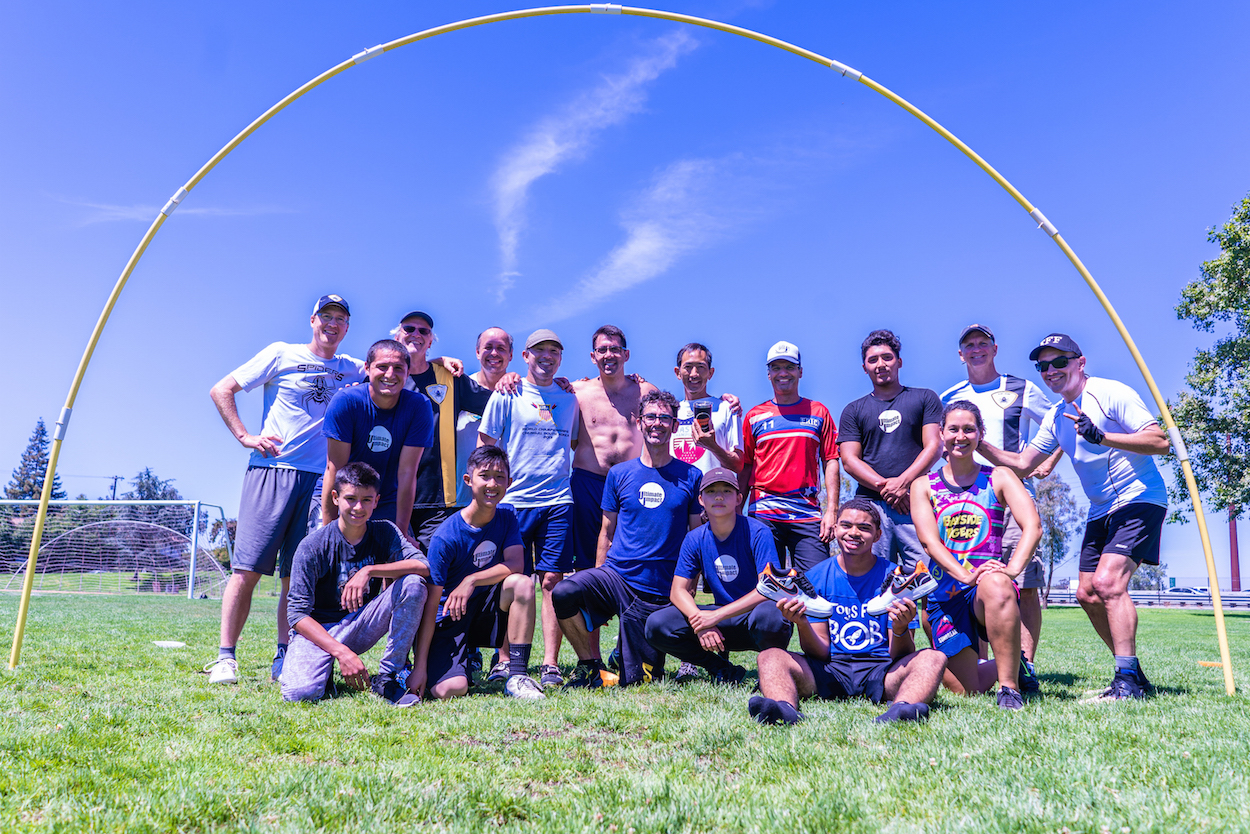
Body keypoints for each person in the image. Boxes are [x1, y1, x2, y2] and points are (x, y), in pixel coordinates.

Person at [977, 333, 1169, 700]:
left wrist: (1102, 436)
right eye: (1043, 366)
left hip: (1138, 497)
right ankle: (1133, 675)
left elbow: (1159, 441)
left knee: (1108, 584)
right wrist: (978, 443)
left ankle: (1127, 681)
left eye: (1059, 362)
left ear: (1080, 363)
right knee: (1087, 593)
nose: (1051, 371)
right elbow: (1023, 464)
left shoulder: (1110, 392)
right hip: (1100, 509)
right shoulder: (1056, 416)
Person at [205, 294, 365, 685]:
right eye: (326, 316)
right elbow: (221, 389)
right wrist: (245, 436)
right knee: (247, 569)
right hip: (273, 471)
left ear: (347, 327)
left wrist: (442, 361)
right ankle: (226, 657)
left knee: (296, 576)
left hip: (322, 482)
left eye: (340, 319)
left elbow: (397, 365)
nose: (332, 324)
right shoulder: (282, 353)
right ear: (312, 320)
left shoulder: (351, 367)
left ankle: (285, 654)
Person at [552, 390, 703, 687]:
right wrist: (597, 583)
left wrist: (690, 585)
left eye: (664, 418)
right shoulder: (619, 474)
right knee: (564, 592)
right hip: (617, 577)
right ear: (639, 422)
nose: (657, 423)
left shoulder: (691, 475)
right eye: (651, 417)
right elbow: (606, 532)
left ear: (674, 425)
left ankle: (628, 654)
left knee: (639, 681)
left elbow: (695, 538)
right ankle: (589, 665)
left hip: (658, 589)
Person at [751, 500, 947, 725]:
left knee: (934, 657)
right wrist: (802, 623)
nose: (854, 533)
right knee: (769, 656)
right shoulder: (815, 577)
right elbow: (820, 652)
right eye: (846, 525)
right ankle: (783, 708)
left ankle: (902, 708)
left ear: (878, 535)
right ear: (835, 530)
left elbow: (900, 655)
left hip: (882, 670)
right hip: (829, 669)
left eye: (864, 528)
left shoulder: (899, 580)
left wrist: (900, 628)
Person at [940, 323, 1061, 689]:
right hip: (963, 500)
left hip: (1010, 494)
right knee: (970, 582)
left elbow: (1059, 424)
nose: (976, 349)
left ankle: (1025, 666)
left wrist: (1047, 462)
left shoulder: (1022, 388)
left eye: (983, 343)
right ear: (960, 354)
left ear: (995, 349)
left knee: (1022, 582)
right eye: (969, 345)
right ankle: (983, 667)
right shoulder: (950, 396)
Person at [909, 401, 1041, 709]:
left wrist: (1011, 570)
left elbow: (1032, 526)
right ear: (941, 433)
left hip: (986, 590)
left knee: (997, 585)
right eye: (953, 429)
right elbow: (929, 543)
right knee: (968, 689)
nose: (961, 436)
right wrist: (964, 575)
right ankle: (1015, 662)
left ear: (980, 433)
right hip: (945, 594)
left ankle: (1009, 689)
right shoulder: (923, 485)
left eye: (969, 429)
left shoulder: (1000, 477)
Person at [478, 329, 580, 688]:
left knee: (552, 581)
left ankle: (550, 663)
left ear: (561, 358)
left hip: (558, 501)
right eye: (539, 350)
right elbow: (486, 447)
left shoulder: (570, 398)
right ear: (525, 356)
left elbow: (576, 443)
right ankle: (503, 658)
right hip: (514, 502)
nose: (547, 356)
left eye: (554, 351)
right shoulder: (507, 392)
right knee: (512, 579)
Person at [280, 462, 430, 705]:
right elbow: (297, 615)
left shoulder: (385, 532)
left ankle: (389, 676)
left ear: (376, 501)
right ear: (335, 498)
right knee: (299, 694)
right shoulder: (312, 546)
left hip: (361, 622)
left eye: (366, 500)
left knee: (413, 584)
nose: (358, 507)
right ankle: (325, 670)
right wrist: (341, 652)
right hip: (320, 631)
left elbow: (423, 566)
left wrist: (369, 571)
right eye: (350, 498)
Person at [410, 445, 545, 701]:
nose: (492, 484)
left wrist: (471, 580)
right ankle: (458, 664)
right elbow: (430, 606)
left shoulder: (507, 516)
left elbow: (516, 564)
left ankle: (517, 676)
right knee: (450, 690)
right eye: (484, 476)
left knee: (522, 584)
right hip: (450, 618)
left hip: (485, 610)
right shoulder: (445, 536)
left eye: (499, 477)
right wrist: (420, 667)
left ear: (509, 483)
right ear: (468, 480)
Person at [645, 468, 792, 683]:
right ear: (701, 500)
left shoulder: (758, 532)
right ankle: (721, 669)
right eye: (711, 491)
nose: (719, 497)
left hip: (753, 618)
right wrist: (700, 621)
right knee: (657, 623)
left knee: (772, 616)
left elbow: (769, 587)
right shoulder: (694, 538)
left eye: (726, 491)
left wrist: (715, 617)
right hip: (720, 622)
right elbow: (677, 591)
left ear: (739, 498)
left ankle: (771, 672)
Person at [838, 329, 943, 574]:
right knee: (871, 578)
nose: (881, 364)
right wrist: (889, 489)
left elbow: (934, 446)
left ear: (899, 362)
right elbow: (849, 460)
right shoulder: (853, 410)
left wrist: (904, 484)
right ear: (864, 367)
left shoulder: (925, 398)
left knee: (925, 576)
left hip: (914, 502)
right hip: (870, 507)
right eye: (873, 360)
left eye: (887, 357)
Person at [392, 310, 491, 550]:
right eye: (409, 329)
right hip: (388, 495)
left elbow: (495, 404)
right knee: (388, 564)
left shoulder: (450, 377)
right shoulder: (385, 376)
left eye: (423, 331)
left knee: (434, 566)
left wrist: (536, 386)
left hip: (437, 501)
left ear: (430, 341)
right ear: (397, 337)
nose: (416, 334)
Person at [740, 341, 840, 574]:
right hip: (763, 515)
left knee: (816, 585)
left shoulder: (819, 412)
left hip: (807, 515)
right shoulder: (754, 416)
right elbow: (745, 467)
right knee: (765, 586)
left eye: (789, 367)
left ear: (800, 371)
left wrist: (832, 511)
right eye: (776, 368)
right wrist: (737, 511)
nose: (783, 373)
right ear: (768, 374)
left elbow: (831, 460)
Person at [320, 339, 434, 536]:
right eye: (382, 367)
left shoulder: (419, 406)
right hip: (344, 496)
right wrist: (328, 530)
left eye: (398, 368)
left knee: (401, 553)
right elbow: (335, 468)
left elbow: (407, 473)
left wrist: (401, 533)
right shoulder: (346, 401)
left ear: (408, 372)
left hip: (386, 500)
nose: (390, 374)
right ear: (367, 368)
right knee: (328, 547)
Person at [569, 325, 659, 572]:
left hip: (630, 483)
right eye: (602, 350)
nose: (609, 355)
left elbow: (669, 422)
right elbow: (544, 393)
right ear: (593, 356)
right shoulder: (577, 392)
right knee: (587, 561)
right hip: (588, 482)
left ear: (626, 354)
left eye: (615, 349)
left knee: (632, 554)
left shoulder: (645, 391)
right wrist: (509, 378)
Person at [670, 343, 744, 475]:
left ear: (711, 373)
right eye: (688, 367)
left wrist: (712, 446)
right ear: (678, 372)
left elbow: (738, 465)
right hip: (677, 488)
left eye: (701, 367)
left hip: (714, 487)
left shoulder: (727, 409)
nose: (694, 374)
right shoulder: (669, 413)